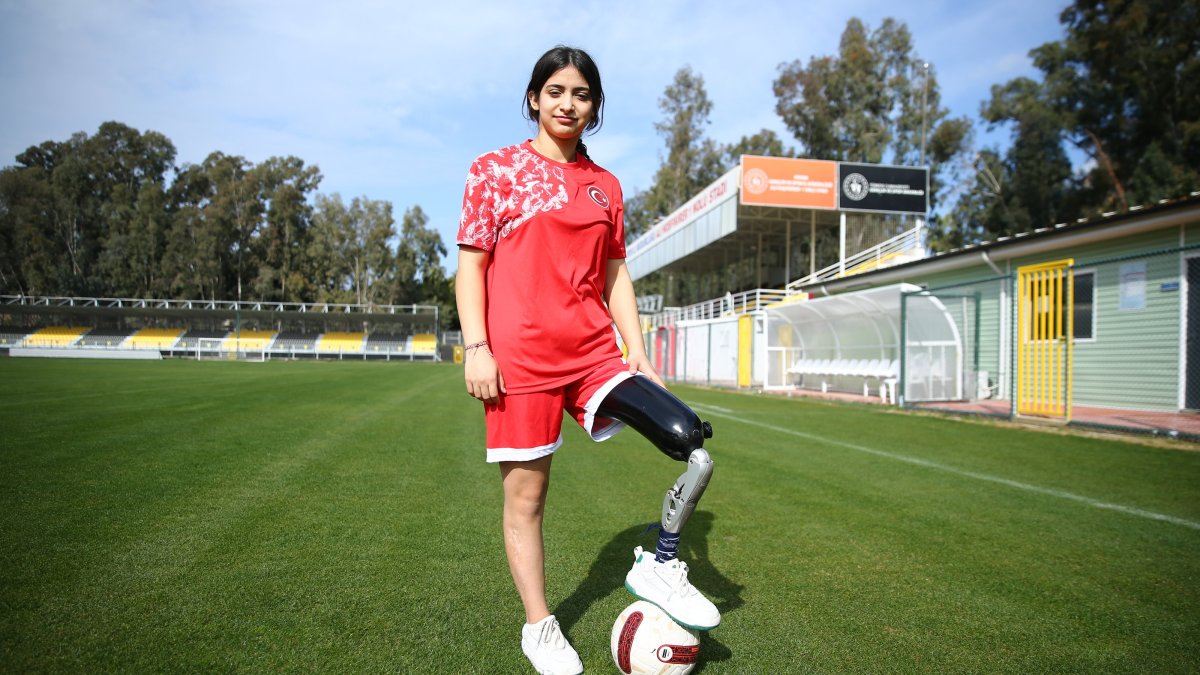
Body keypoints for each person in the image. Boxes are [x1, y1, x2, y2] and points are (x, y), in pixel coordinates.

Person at [455, 45, 719, 675]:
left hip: (595, 351)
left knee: (691, 441)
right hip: (519, 360)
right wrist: (477, 347)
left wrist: (638, 350)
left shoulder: (606, 186)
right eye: (555, 91)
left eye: (580, 93)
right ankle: (540, 628)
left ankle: (660, 561)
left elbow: (616, 272)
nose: (567, 103)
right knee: (529, 497)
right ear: (533, 98)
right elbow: (471, 267)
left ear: (594, 105)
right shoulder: (493, 171)